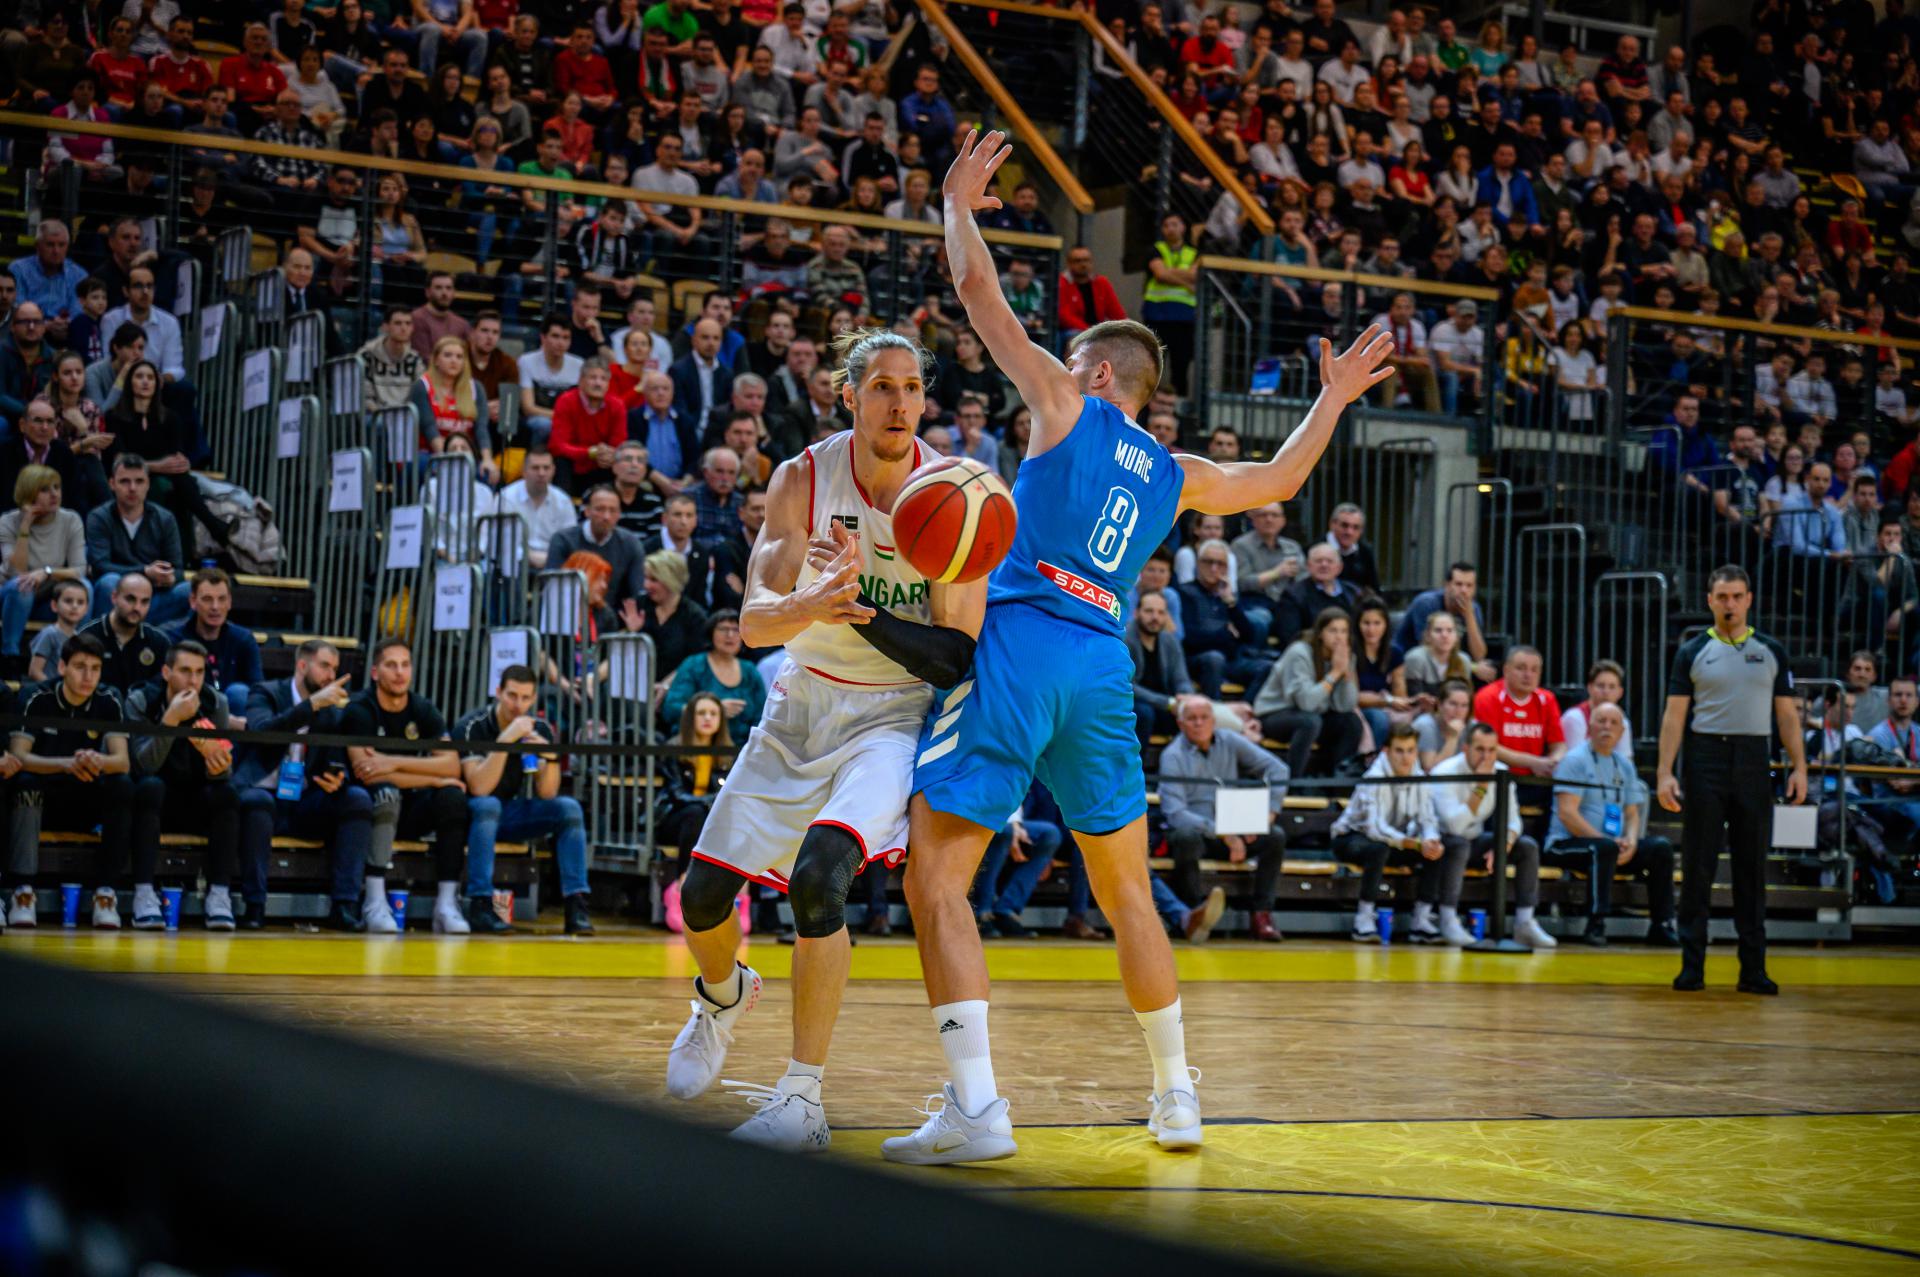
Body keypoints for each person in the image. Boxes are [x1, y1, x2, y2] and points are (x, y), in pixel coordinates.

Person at [896, 130, 1394, 1162]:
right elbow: (1280, 482)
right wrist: (1334, 397)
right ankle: (1176, 1094)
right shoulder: (1175, 472)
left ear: (1093, 370)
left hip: (1021, 643)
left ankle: (978, 1108)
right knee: (1128, 893)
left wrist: (956, 204)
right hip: (1100, 665)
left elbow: (977, 292)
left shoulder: (1063, 403)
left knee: (937, 877)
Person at [661, 327, 986, 1157]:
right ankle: (722, 996)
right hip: (800, 701)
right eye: (882, 386)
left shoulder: (953, 493)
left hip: (891, 716)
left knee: (819, 879)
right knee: (701, 900)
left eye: (913, 387)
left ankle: (802, 1099)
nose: (901, 403)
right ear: (848, 395)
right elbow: (754, 623)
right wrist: (813, 604)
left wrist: (859, 612)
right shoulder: (803, 478)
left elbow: (955, 656)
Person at [1657, 565, 1807, 995]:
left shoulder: (1771, 650)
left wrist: (1799, 767)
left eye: (1737, 596)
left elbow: (1787, 716)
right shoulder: (1692, 651)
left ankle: (1753, 969)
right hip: (1706, 757)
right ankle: (1692, 966)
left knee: (1751, 867)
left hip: (1754, 759)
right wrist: (1665, 772)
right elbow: (1674, 716)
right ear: (1710, 600)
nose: (1730, 604)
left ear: (1749, 600)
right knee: (1699, 865)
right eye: (1722, 597)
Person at [338, 637, 473, 936]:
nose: (400, 672)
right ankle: (374, 902)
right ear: (375, 672)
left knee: (452, 796)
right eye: (391, 665)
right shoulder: (360, 709)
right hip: (371, 808)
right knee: (386, 792)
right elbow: (367, 773)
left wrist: (391, 761)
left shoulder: (422, 708)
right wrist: (432, 778)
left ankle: (447, 904)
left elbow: (452, 766)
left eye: (405, 665)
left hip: (411, 807)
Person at [8, 634, 136, 929]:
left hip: (87, 796)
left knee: (123, 785)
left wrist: (96, 760)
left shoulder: (109, 699)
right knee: (24, 782)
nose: (88, 676)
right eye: (80, 667)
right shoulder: (36, 697)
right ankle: (22, 891)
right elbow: (18, 756)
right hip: (46, 795)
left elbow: (122, 761)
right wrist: (66, 764)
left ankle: (106, 893)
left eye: (95, 669)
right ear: (62, 667)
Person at [457, 665, 593, 935]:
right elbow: (480, 787)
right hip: (472, 813)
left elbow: (547, 792)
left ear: (533, 699)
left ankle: (576, 903)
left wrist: (550, 756)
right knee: (488, 805)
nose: (517, 704)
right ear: (498, 692)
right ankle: (480, 903)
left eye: (525, 698)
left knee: (568, 808)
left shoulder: (539, 728)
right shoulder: (473, 725)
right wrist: (506, 740)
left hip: (510, 812)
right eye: (511, 695)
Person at [127, 640, 243, 930]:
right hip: (155, 801)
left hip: (195, 798)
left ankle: (219, 894)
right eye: (185, 671)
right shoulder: (141, 700)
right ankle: (143, 894)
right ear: (166, 672)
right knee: (149, 787)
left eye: (200, 672)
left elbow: (222, 771)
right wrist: (171, 719)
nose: (193, 680)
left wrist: (219, 768)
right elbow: (143, 767)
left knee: (228, 794)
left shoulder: (216, 703)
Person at [1158, 697, 1290, 942]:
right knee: (1185, 837)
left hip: (1235, 826)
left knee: (1275, 836)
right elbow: (1175, 813)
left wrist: (1266, 815)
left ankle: (1261, 914)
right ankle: (1192, 913)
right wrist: (1223, 832)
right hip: (1201, 832)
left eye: (1204, 717)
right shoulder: (1172, 756)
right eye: (1192, 719)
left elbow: (1278, 769)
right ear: (1180, 724)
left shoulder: (1229, 740)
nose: (1199, 723)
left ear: (1214, 721)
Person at [1549, 701, 1678, 948]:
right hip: (1565, 844)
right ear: (1590, 727)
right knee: (1604, 849)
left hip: (1611, 845)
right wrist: (1606, 840)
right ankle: (1596, 923)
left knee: (1660, 848)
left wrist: (1631, 841)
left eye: (1613, 723)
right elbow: (1567, 814)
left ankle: (1662, 925)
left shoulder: (1624, 766)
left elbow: (1632, 813)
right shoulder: (1574, 760)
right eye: (1601, 721)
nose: (1607, 727)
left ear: (1621, 731)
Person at [1430, 722, 1552, 947]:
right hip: (1441, 842)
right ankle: (1447, 919)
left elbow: (1514, 820)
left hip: (1474, 840)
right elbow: (1455, 826)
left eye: (1492, 750)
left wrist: (1503, 844)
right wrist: (1481, 787)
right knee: (1459, 844)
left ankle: (1524, 922)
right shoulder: (1445, 772)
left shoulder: (1502, 772)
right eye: (1480, 749)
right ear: (1465, 748)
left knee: (1527, 846)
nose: (1486, 757)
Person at [1330, 723, 1442, 943]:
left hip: (1394, 840)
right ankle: (1363, 918)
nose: (1405, 758)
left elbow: (1428, 819)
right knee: (1378, 848)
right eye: (1399, 751)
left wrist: (1430, 840)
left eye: (1410, 751)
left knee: (1436, 851)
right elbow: (1375, 829)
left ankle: (1421, 919)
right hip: (1351, 838)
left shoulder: (1419, 776)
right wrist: (1414, 843)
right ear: (1386, 751)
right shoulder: (1374, 777)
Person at [1253, 606, 1364, 775]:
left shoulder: (1345, 656)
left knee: (1351, 722)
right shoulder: (1299, 653)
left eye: (1344, 631)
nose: (1339, 637)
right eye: (1333, 631)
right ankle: (1292, 782)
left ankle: (1336, 781)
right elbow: (1306, 703)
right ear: (1320, 633)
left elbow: (1345, 706)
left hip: (1315, 715)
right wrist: (1335, 674)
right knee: (1310, 722)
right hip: (1275, 714)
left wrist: (1346, 675)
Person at [1, 464, 87, 670]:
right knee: (22, 585)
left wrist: (47, 572)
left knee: (85, 587)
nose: (54, 494)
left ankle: (81, 649)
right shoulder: (7, 521)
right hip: (12, 594)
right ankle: (9, 655)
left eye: (57, 487)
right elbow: (16, 571)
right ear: (29, 493)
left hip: (49, 593)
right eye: (45, 489)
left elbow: (79, 570)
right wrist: (25, 526)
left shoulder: (71, 519)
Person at [656, 692, 734, 878]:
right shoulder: (674, 749)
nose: (707, 718)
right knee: (695, 813)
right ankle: (684, 879)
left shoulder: (729, 754)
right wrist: (709, 802)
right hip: (677, 818)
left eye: (713, 714)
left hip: (711, 819)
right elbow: (677, 794)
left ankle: (742, 890)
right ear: (690, 717)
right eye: (701, 713)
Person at [169, 570, 261, 723]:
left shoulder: (243, 639)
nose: (215, 607)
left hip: (235, 717)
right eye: (207, 599)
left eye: (221, 599)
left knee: (239, 693)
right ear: (193, 601)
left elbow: (258, 689)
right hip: (191, 712)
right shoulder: (175, 640)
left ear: (229, 602)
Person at [662, 609, 767, 732]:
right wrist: (714, 709)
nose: (730, 635)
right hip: (696, 740)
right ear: (711, 633)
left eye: (736, 630)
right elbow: (671, 708)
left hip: (742, 743)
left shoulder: (750, 670)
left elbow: (762, 717)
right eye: (723, 629)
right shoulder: (694, 665)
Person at [1473, 646, 1565, 777]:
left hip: (1537, 776)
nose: (1528, 675)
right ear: (1506, 670)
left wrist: (1553, 761)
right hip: (1496, 775)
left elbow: (1559, 745)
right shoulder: (1487, 697)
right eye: (1521, 668)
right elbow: (1487, 745)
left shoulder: (1547, 699)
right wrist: (1532, 762)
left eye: (1534, 670)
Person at [26, 578, 90, 683]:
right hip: (48, 690)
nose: (74, 606)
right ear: (54, 605)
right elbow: (34, 671)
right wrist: (56, 689)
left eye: (80, 602)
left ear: (86, 609)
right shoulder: (49, 634)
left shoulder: (78, 638)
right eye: (68, 601)